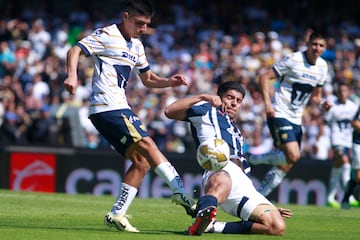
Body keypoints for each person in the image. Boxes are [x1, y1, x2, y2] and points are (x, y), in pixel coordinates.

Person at [64, 0, 195, 233]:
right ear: (126, 16)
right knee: (147, 143)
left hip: (114, 108)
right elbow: (75, 49)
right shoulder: (107, 34)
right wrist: (72, 76)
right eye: (139, 23)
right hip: (108, 106)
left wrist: (169, 82)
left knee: (141, 162)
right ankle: (181, 193)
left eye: (146, 24)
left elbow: (148, 79)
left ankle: (117, 213)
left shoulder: (137, 45)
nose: (143, 28)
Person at [165, 81, 292, 236]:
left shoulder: (236, 131)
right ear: (219, 97)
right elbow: (169, 111)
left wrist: (264, 209)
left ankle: (211, 225)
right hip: (219, 168)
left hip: (244, 184)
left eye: (238, 101)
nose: (234, 103)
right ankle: (203, 212)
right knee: (223, 181)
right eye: (230, 97)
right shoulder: (207, 110)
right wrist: (202, 96)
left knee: (277, 226)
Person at [248, 31, 332, 196]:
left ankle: (259, 197)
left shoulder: (323, 66)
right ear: (308, 44)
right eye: (314, 44)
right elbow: (264, 77)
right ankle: (253, 159)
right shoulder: (294, 60)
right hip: (280, 111)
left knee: (287, 163)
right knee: (293, 155)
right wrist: (267, 104)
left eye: (321, 45)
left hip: (296, 117)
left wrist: (323, 104)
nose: (317, 48)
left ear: (325, 48)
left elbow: (316, 96)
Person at [323, 82, 357, 208]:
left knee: (337, 166)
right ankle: (349, 196)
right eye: (340, 91)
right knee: (345, 162)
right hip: (336, 139)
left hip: (348, 141)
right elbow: (325, 120)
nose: (343, 93)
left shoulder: (353, 107)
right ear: (338, 92)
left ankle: (330, 197)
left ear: (348, 93)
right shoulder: (333, 106)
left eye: (345, 91)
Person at [341, 105, 360, 209]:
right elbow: (355, 122)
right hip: (358, 144)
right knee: (358, 176)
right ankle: (347, 198)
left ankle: (346, 199)